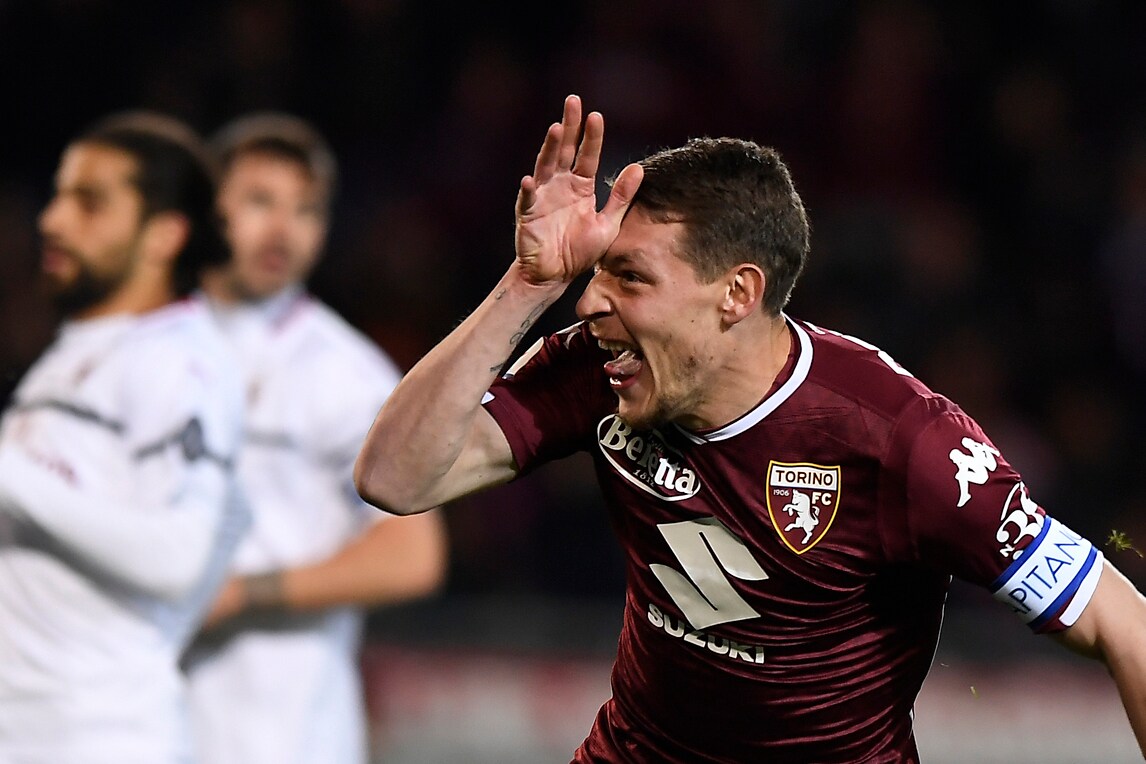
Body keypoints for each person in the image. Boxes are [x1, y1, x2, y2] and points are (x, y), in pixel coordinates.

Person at [354, 94, 1146, 762]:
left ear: (736, 293)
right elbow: (394, 478)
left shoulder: (902, 441)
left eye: (629, 276)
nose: (590, 301)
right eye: (595, 272)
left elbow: (1119, 616)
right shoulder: (600, 365)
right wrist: (528, 285)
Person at [182, 112, 448, 764]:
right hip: (149, 723)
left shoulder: (346, 374)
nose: (283, 229)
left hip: (285, 735)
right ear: (205, 209)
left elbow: (413, 554)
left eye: (306, 210)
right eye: (259, 201)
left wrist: (241, 594)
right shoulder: (143, 346)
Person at [0, 112, 247, 763]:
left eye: (89, 202)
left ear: (165, 234)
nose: (53, 220)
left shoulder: (182, 363)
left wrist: (12, 479)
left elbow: (178, 559)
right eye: (58, 196)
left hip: (98, 739)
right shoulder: (74, 353)